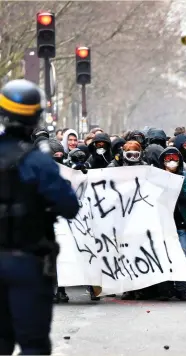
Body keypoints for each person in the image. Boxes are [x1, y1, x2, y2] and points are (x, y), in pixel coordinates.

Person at [0, 79, 79, 354]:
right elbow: (69, 207)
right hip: (28, 262)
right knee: (33, 344)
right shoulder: (39, 161)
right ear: (35, 118)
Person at [159, 147, 186, 300]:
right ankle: (166, 288)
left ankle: (181, 288)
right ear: (163, 161)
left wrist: (173, 185)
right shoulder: (157, 176)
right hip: (162, 223)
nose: (172, 162)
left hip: (180, 223)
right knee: (163, 255)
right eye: (168, 159)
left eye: (175, 158)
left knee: (181, 255)